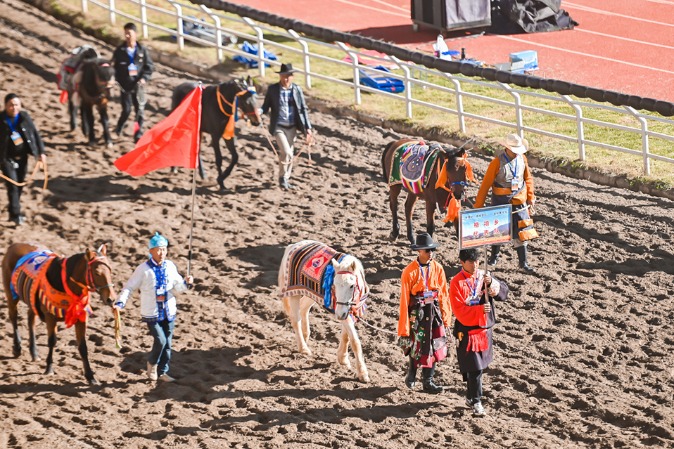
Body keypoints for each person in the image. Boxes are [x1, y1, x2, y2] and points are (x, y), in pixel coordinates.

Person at [113, 232, 193, 382]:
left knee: (168, 344)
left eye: (164, 249)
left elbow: (178, 288)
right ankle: (152, 364)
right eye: (158, 249)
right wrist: (120, 303)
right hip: (152, 313)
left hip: (169, 311)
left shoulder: (170, 266)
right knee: (160, 340)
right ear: (151, 251)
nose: (161, 253)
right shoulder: (143, 269)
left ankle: (163, 372)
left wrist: (186, 283)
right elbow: (129, 287)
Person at [449, 248, 509, 416]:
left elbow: (503, 293)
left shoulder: (484, 276)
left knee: (478, 368)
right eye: (471, 262)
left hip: (484, 329)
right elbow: (459, 311)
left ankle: (470, 396)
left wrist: (491, 284)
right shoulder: (456, 283)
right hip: (468, 330)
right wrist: (480, 310)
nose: (475, 265)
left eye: (477, 262)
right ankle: (476, 401)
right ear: (462, 263)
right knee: (475, 368)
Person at [397, 232, 452, 394]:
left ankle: (428, 380)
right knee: (416, 344)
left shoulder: (438, 268)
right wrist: (405, 324)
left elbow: (443, 293)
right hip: (417, 311)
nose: (430, 253)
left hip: (433, 310)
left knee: (434, 344)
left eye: (432, 250)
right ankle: (412, 375)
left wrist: (446, 316)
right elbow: (405, 298)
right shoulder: (409, 272)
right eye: (427, 250)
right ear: (419, 251)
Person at [474, 133, 538, 272]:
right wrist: (478, 206)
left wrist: (530, 197)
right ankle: (494, 257)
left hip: (519, 200)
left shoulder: (522, 160)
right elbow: (485, 185)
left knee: (522, 230)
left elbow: (528, 179)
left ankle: (523, 262)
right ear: (507, 148)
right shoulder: (496, 163)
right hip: (500, 201)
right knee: (497, 230)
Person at [260, 62, 313, 190]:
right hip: (279, 126)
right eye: (284, 76)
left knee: (288, 154)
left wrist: (308, 128)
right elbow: (265, 106)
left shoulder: (297, 90)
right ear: (280, 76)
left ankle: (284, 178)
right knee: (287, 152)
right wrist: (260, 112)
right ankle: (283, 178)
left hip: (293, 127)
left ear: (292, 76)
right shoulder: (273, 89)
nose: (286, 78)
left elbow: (303, 109)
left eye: (288, 76)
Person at [0, 93, 47, 225]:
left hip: (23, 157)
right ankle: (16, 215)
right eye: (10, 105)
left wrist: (41, 152)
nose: (14, 108)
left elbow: (36, 134)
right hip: (6, 159)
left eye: (16, 105)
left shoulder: (24, 117)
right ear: (5, 106)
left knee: (20, 184)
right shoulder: (1, 120)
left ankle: (12, 210)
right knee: (13, 185)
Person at [112, 22, 154, 143]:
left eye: (129, 33)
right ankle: (119, 128)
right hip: (125, 86)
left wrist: (144, 78)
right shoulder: (119, 51)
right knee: (126, 110)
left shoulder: (142, 51)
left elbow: (149, 67)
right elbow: (114, 68)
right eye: (125, 33)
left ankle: (137, 133)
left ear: (135, 34)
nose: (127, 36)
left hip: (138, 86)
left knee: (139, 111)